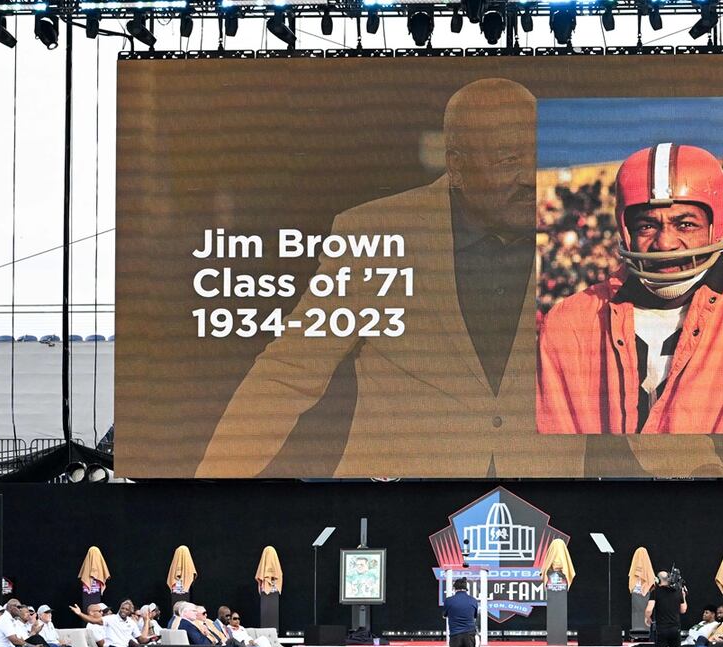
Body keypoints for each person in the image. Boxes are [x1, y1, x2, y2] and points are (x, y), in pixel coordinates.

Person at [195, 77, 598, 480]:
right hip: (396, 509)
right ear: (456, 166)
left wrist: (662, 483)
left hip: (544, 508)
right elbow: (288, 375)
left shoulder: (585, 230)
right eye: (508, 161)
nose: (530, 176)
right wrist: (207, 490)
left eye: (538, 154)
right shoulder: (376, 233)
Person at [537, 142, 723, 436]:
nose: (665, 243)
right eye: (646, 226)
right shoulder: (571, 323)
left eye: (685, 224)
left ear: (716, 226)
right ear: (625, 230)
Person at [69, 599, 152, 647]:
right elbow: (94, 620)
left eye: (126, 609)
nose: (123, 610)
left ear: (130, 612)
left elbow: (141, 639)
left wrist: (150, 639)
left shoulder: (131, 623)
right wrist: (80, 613)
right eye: (122, 608)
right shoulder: (111, 618)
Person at [173, 604, 244, 647]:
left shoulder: (188, 624)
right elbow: (201, 643)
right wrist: (206, 635)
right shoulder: (187, 625)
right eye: (193, 611)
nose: (196, 613)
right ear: (185, 612)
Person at [645, 572, 686, 647]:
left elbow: (649, 610)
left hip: (662, 629)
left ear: (657, 580)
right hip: (675, 628)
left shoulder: (655, 592)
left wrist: (648, 618)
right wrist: (683, 596)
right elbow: (683, 610)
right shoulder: (678, 591)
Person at [443, 578, 478, 647]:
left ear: (454, 588)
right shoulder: (473, 600)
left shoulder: (448, 600)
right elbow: (475, 617)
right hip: (470, 635)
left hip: (455, 635)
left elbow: (444, 615)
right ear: (466, 588)